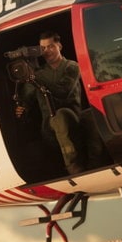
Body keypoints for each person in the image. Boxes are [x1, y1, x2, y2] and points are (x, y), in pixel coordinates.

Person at [15, 31, 93, 173]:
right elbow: (26, 98)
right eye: (43, 48)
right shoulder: (38, 73)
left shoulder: (72, 66)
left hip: (72, 120)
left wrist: (35, 77)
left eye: (50, 46)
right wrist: (22, 107)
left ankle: (74, 168)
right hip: (48, 128)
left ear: (60, 46)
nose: (47, 51)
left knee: (61, 116)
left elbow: (63, 91)